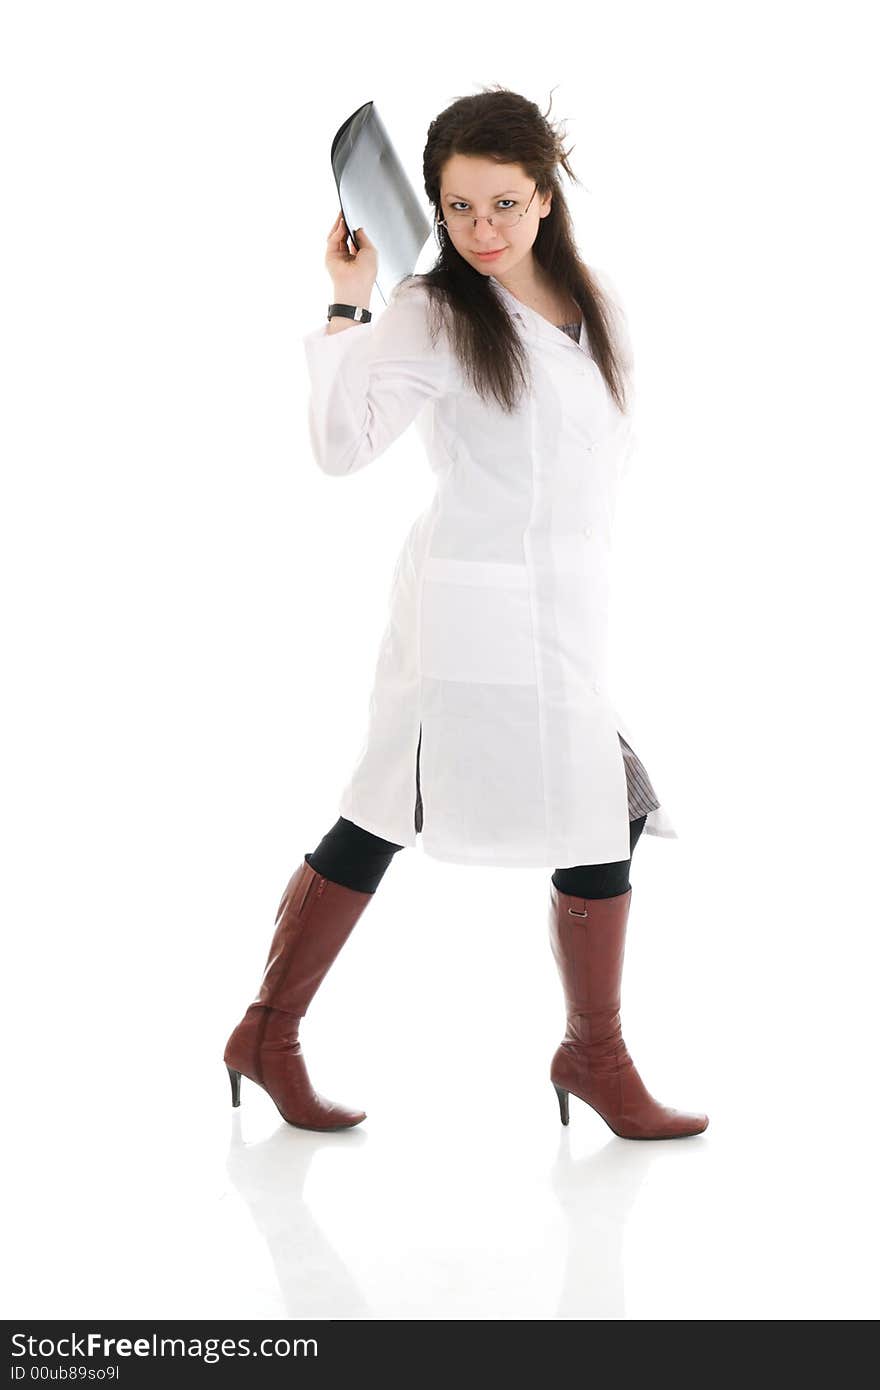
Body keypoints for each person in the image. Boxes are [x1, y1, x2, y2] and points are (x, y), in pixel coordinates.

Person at [223, 87, 708, 1141]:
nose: (483, 231)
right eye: (459, 210)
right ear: (433, 210)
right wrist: (348, 300)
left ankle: (277, 1032)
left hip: (564, 621)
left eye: (505, 204)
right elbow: (341, 446)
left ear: (546, 195)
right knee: (395, 810)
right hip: (467, 623)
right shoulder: (433, 313)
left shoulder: (600, 306)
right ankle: (585, 1052)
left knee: (560, 805)